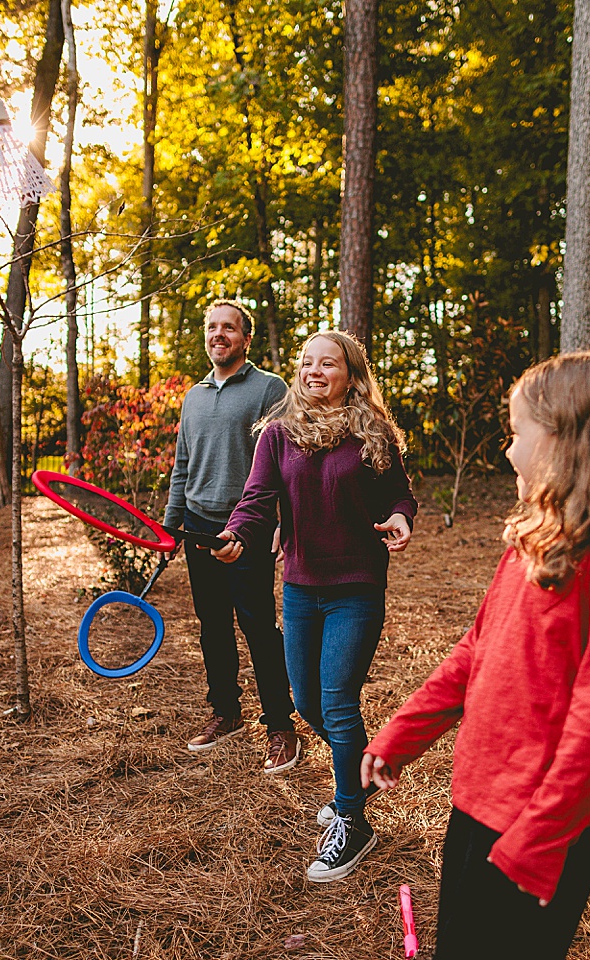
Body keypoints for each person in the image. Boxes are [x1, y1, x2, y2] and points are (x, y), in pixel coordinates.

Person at [361, 352, 590, 957]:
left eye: (519, 435)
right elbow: (473, 654)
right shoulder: (532, 541)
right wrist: (400, 735)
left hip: (545, 826)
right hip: (478, 803)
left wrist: (541, 840)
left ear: (572, 443)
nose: (509, 453)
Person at [214, 329, 417, 883]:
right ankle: (359, 774)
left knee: (338, 702)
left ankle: (351, 819)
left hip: (356, 587)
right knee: (306, 704)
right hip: (301, 587)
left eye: (328, 364)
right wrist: (238, 532)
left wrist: (401, 517)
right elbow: (256, 499)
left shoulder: (372, 433)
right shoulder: (279, 434)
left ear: (351, 374)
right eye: (306, 362)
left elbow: (400, 493)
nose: (313, 371)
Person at [163, 299, 300, 773]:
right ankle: (226, 713)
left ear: (246, 337)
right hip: (198, 527)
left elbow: (289, 461)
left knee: (258, 625)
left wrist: (285, 520)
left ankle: (281, 725)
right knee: (212, 624)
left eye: (229, 328)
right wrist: (170, 524)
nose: (218, 334)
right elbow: (182, 467)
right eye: (212, 327)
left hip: (249, 527)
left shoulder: (269, 389)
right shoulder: (193, 396)